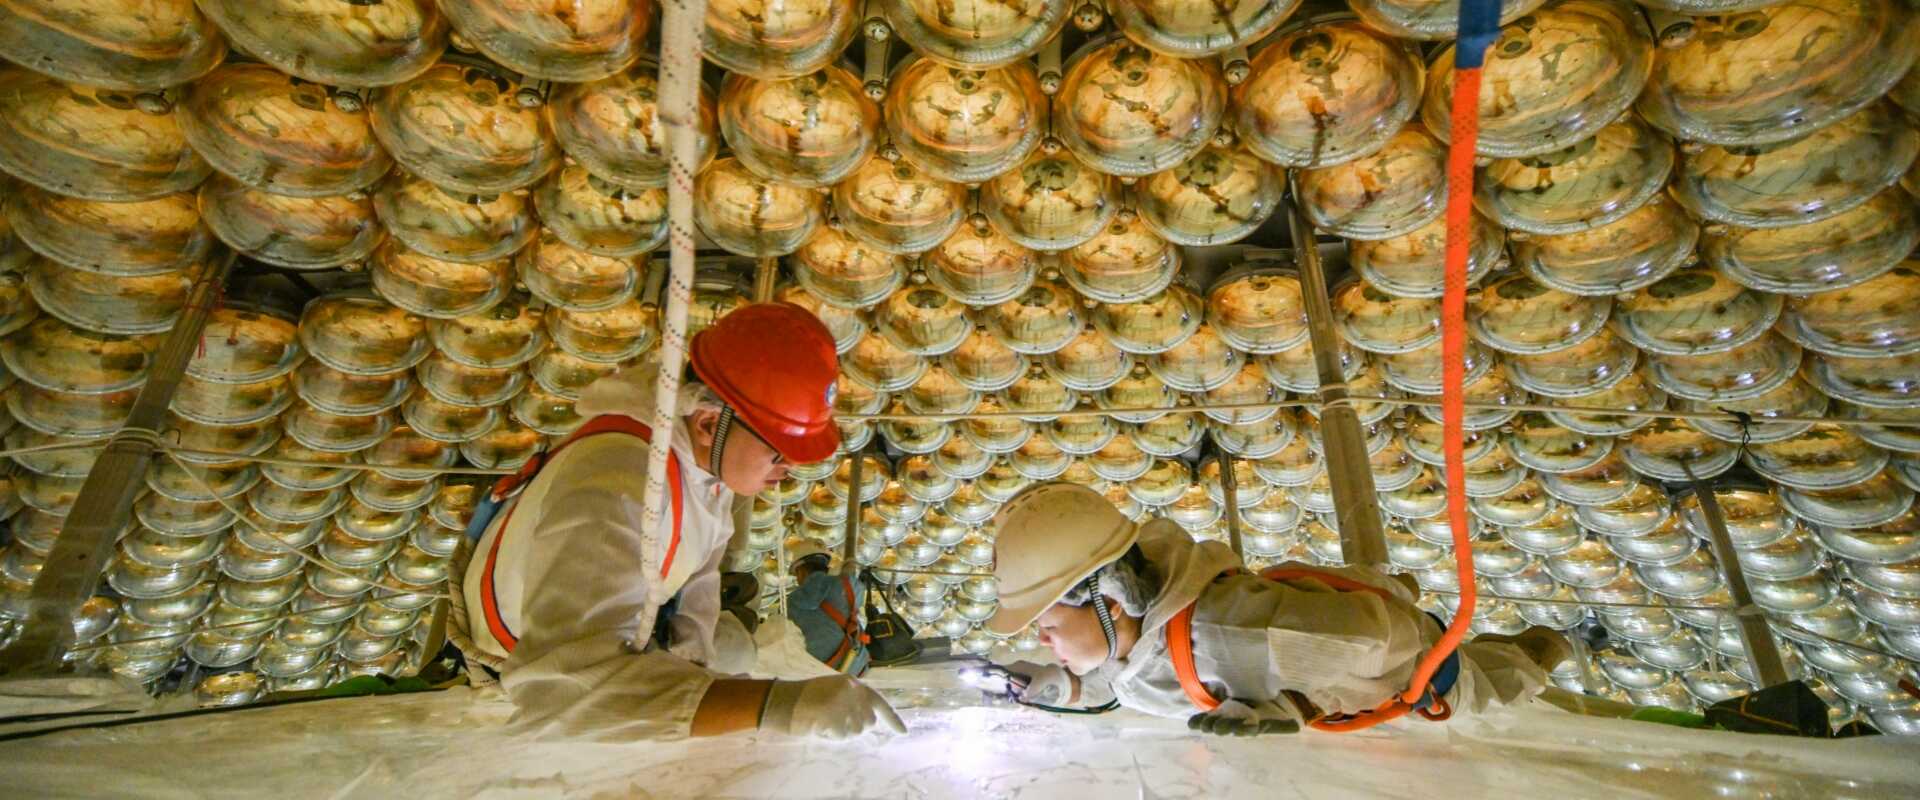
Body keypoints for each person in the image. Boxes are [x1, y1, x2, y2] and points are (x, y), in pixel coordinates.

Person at [451, 303, 904, 741]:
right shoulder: (619, 482)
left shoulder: (705, 464)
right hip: (513, 654)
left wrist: (697, 671)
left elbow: (699, 585)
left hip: (630, 627)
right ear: (709, 423)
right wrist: (774, 706)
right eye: (778, 451)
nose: (788, 469)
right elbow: (563, 687)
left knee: (734, 650)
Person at [987, 482, 1568, 736]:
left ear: (1109, 598)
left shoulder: (1235, 629)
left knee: (1493, 683)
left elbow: (1382, 640)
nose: (1042, 642)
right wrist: (1058, 688)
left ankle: (1546, 644)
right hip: (1325, 651)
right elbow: (1129, 684)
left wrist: (1299, 701)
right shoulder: (1137, 641)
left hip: (1404, 671)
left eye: (1048, 626)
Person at [783, 542, 870, 675]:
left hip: (823, 669)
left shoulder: (795, 600)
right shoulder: (850, 587)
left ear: (801, 570)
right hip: (856, 662)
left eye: (796, 574)